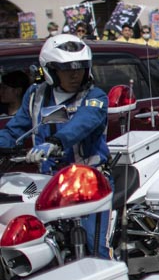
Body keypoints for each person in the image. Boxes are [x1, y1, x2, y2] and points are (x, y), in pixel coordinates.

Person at [0, 35, 110, 258]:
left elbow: (83, 123)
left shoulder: (94, 97)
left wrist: (54, 142)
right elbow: (14, 131)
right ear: (50, 70)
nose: (75, 74)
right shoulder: (35, 95)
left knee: (93, 244)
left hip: (88, 180)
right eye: (66, 69)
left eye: (80, 68)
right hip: (49, 183)